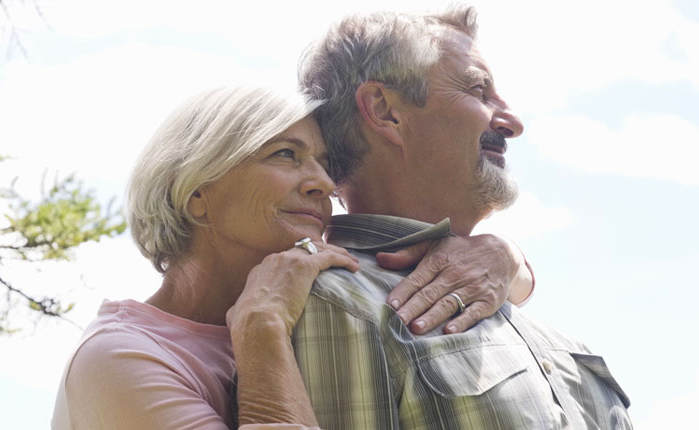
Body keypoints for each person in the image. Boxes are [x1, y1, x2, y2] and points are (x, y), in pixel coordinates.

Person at [50, 87, 533, 430]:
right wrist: (261, 328)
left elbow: (510, 283)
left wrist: (501, 254)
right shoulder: (119, 360)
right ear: (196, 193)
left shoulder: (318, 292)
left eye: (324, 163)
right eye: (285, 154)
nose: (322, 183)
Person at [290, 5, 632, 429]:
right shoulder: (339, 302)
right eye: (478, 91)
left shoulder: (524, 309)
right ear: (384, 110)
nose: (512, 122)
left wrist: (508, 257)